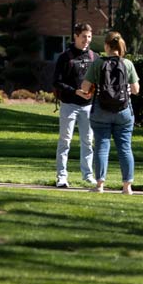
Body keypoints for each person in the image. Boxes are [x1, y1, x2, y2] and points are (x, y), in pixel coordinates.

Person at [81, 31, 140, 195]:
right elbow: (136, 90)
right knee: (125, 148)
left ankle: (99, 185)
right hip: (124, 111)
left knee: (101, 147)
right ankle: (127, 186)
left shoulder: (98, 63)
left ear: (106, 46)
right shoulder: (127, 64)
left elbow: (85, 87)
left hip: (101, 110)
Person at [53, 22, 97, 188]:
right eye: (84, 36)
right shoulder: (66, 57)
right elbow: (56, 82)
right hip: (69, 105)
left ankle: (88, 175)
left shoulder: (94, 57)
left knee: (88, 142)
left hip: (88, 106)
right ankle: (62, 177)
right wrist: (74, 91)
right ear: (76, 36)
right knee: (65, 141)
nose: (87, 40)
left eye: (89, 37)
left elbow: (97, 81)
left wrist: (94, 91)